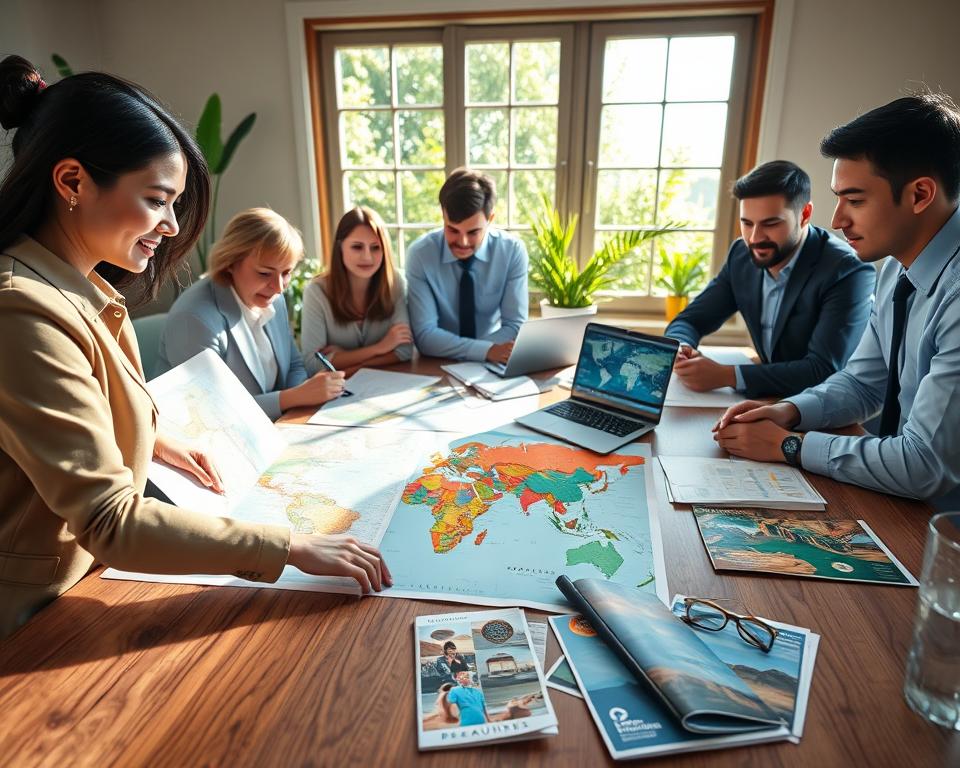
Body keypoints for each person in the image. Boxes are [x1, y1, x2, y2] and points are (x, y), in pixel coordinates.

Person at [0, 55, 389, 640]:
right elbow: (110, 520)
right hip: (36, 620)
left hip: (87, 586)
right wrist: (293, 547)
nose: (174, 226)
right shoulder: (21, 308)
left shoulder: (81, 287)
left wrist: (152, 437)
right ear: (73, 182)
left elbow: (65, 412)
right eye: (158, 200)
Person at [714, 91, 960, 506]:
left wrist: (788, 445)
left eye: (856, 200)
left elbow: (925, 466)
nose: (837, 220)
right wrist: (789, 411)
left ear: (920, 195)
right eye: (838, 197)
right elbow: (862, 384)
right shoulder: (897, 268)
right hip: (903, 502)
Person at [665, 160, 874, 398]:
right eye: (746, 223)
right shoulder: (742, 255)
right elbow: (690, 320)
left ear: (804, 214)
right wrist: (681, 348)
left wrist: (727, 376)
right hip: (769, 399)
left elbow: (823, 369)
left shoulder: (848, 269)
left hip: (831, 410)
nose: (755, 238)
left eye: (770, 224)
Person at [157, 207, 344, 419]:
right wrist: (294, 397)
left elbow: (293, 365)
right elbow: (212, 411)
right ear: (230, 262)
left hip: (274, 426)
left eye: (287, 272)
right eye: (265, 273)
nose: (279, 287)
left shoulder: (272, 296)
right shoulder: (194, 319)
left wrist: (303, 395)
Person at [406, 168, 528, 363]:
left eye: (473, 232)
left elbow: (515, 327)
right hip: (437, 363)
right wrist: (485, 350)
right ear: (443, 215)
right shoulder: (420, 254)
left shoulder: (512, 251)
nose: (462, 242)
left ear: (490, 219)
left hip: (491, 361)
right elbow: (425, 336)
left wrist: (484, 352)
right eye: (452, 230)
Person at [301, 206, 413, 376]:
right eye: (357, 247)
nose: (367, 257)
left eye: (375, 247)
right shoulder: (316, 292)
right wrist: (380, 348)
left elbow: (404, 351)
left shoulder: (396, 282)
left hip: (385, 384)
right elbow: (313, 364)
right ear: (340, 248)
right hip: (337, 394)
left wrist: (343, 360)